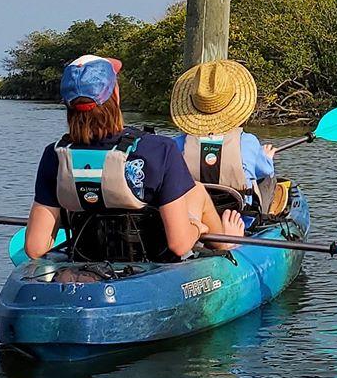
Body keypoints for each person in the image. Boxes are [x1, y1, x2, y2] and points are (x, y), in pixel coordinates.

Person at [25, 54, 244, 260]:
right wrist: (198, 226)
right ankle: (226, 244)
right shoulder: (159, 149)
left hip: (87, 257)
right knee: (197, 190)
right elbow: (179, 244)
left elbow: (36, 248)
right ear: (116, 96)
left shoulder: (54, 155)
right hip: (150, 262)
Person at [170, 60, 277, 210]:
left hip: (193, 215)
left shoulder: (176, 144)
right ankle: (266, 216)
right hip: (240, 216)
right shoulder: (248, 142)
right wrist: (267, 157)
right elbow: (265, 171)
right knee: (268, 179)